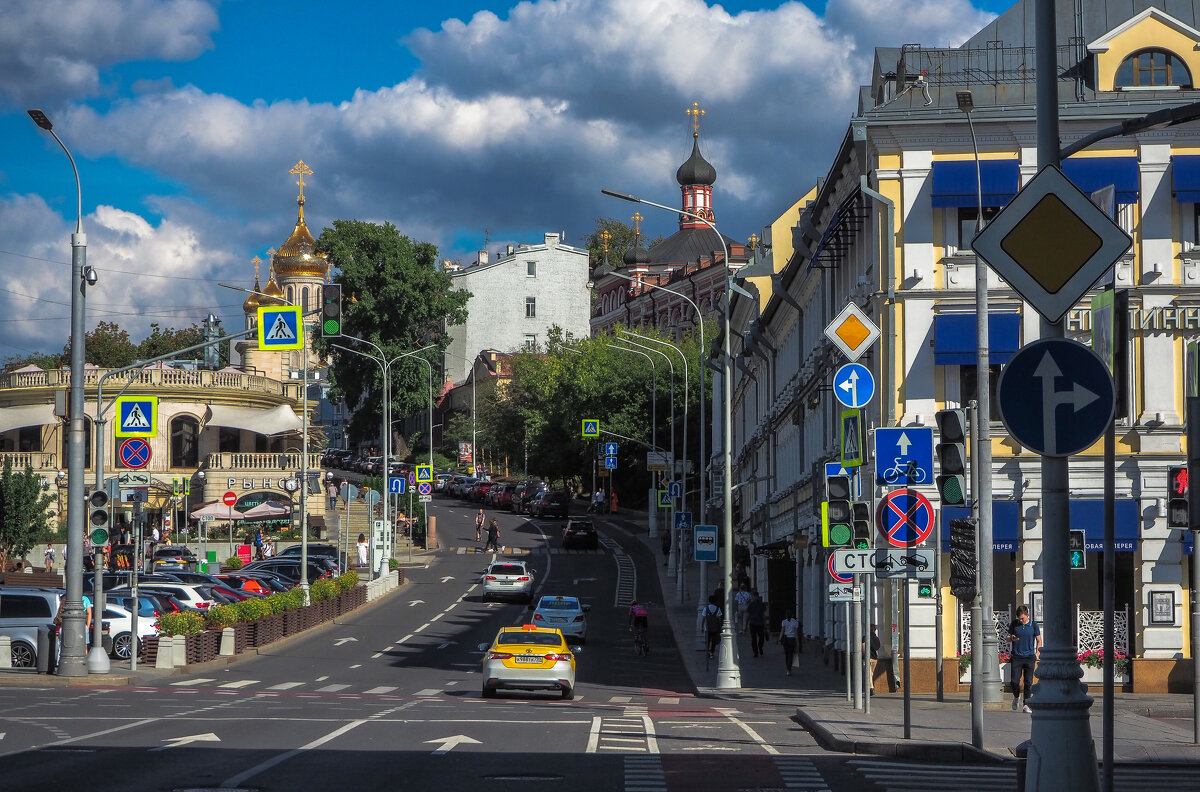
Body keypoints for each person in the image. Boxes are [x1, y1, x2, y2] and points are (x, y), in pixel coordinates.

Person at [1008, 604, 1041, 712]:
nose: (1021, 620)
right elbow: (1007, 637)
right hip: (1017, 657)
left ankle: (1026, 705)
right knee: (1014, 681)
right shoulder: (1014, 624)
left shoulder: (1034, 625)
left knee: (1028, 682)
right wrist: (1011, 638)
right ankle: (1016, 697)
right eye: (1019, 618)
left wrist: (1037, 653)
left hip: (1029, 657)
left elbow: (1039, 640)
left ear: (1027, 615)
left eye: (1022, 618)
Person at [778, 608, 799, 676]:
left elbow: (782, 631)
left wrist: (779, 639)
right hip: (792, 639)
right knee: (791, 654)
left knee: (786, 655)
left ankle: (787, 668)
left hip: (785, 639)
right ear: (792, 615)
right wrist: (797, 642)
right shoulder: (795, 622)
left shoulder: (784, 622)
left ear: (786, 615)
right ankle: (789, 669)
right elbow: (796, 633)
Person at [746, 590, 766, 657]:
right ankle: (756, 651)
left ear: (755, 596)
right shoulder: (752, 604)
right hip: (756, 623)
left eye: (753, 597)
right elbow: (749, 614)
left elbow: (749, 615)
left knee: (759, 638)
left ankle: (758, 648)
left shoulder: (759, 604)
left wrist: (746, 624)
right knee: (756, 638)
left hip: (756, 623)